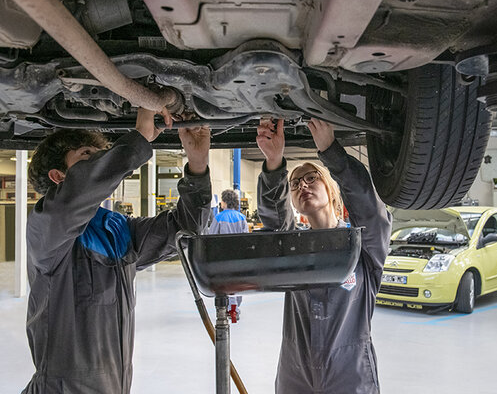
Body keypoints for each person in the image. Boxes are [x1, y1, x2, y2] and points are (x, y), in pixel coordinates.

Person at [22, 107, 213, 394]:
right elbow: (78, 194)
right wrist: (137, 139)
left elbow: (186, 229)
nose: (100, 161)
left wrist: (197, 164)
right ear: (58, 176)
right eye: (87, 155)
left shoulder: (117, 229)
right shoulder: (45, 229)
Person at [256, 118, 392, 393]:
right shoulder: (293, 247)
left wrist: (330, 150)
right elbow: (276, 226)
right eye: (294, 184)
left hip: (349, 373)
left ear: (331, 190)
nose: (302, 186)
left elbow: (369, 210)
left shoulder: (361, 247)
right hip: (296, 373)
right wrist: (273, 161)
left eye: (311, 178)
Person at [209, 189, 248, 320]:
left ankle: (224, 307)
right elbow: (246, 239)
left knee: (224, 282)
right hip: (239, 257)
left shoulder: (219, 217)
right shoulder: (241, 217)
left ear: (224, 202)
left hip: (223, 257)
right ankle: (235, 308)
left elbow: (211, 238)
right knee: (237, 282)